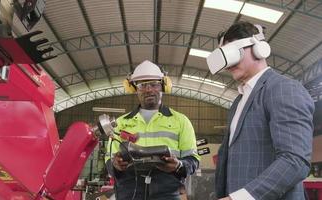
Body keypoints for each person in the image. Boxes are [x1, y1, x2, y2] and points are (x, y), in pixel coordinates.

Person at [206, 21, 314, 200]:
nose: (228, 64)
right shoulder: (238, 102)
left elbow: (295, 160)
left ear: (259, 49)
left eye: (233, 53)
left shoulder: (283, 89)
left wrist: (240, 198)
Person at [105, 60, 200, 200]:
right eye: (142, 85)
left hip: (167, 193)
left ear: (163, 86)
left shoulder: (181, 121)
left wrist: (178, 165)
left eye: (154, 84)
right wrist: (116, 165)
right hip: (129, 193)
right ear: (134, 88)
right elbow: (109, 160)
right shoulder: (120, 123)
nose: (148, 89)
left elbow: (193, 160)